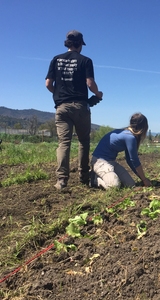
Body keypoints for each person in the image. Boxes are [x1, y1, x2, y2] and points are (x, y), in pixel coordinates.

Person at [45, 30, 103, 190]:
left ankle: (62, 180)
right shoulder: (86, 61)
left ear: (68, 43)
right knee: (83, 142)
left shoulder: (56, 59)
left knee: (64, 143)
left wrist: (58, 94)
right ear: (80, 45)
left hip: (62, 107)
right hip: (80, 107)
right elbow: (90, 83)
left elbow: (48, 84)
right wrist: (98, 94)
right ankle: (84, 176)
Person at [90, 113, 152, 189]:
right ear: (144, 127)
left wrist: (142, 179)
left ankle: (108, 176)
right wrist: (144, 179)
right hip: (100, 162)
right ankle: (95, 180)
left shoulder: (128, 134)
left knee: (131, 184)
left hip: (111, 162)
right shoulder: (130, 137)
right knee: (114, 186)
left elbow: (130, 160)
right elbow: (135, 161)